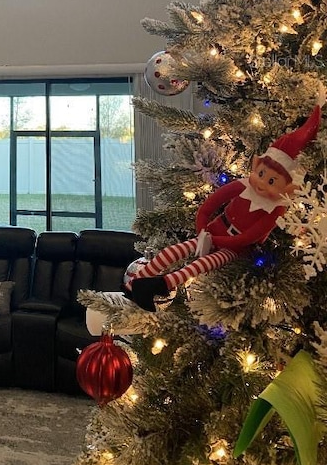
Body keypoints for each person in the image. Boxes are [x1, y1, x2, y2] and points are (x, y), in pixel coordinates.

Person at [127, 98, 323, 312]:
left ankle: (160, 284)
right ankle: (133, 283)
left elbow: (250, 237)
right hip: (213, 231)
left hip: (233, 248)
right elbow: (210, 204)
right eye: (261, 174)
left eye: (272, 181)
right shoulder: (244, 185)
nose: (262, 183)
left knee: (203, 264)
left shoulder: (276, 209)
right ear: (256, 167)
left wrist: (214, 240)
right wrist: (203, 230)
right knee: (180, 249)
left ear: (287, 188)